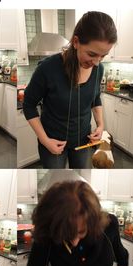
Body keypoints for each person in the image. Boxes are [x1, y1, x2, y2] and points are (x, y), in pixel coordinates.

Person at [23, 11, 117, 168]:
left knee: (79, 181)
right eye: (92, 54)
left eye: (103, 56)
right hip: (53, 142)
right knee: (56, 184)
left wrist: (100, 125)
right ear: (76, 42)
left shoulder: (99, 69)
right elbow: (28, 105)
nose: (96, 62)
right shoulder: (47, 68)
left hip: (83, 140)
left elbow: (95, 98)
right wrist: (45, 140)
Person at [19, 180, 129, 266]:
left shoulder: (108, 224)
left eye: (81, 232)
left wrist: (123, 263)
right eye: (65, 234)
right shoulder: (47, 233)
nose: (74, 242)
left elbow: (117, 247)